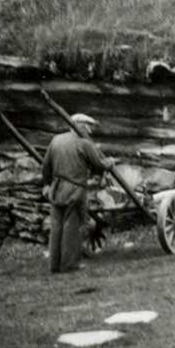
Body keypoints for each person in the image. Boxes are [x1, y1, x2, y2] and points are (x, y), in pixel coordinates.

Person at [40, 113, 115, 273]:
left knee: (56, 227)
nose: (89, 131)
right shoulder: (84, 144)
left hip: (57, 189)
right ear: (80, 126)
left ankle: (55, 265)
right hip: (75, 191)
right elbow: (98, 166)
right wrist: (109, 163)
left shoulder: (56, 140)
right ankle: (69, 264)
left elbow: (46, 167)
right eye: (88, 127)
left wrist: (47, 184)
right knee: (72, 227)